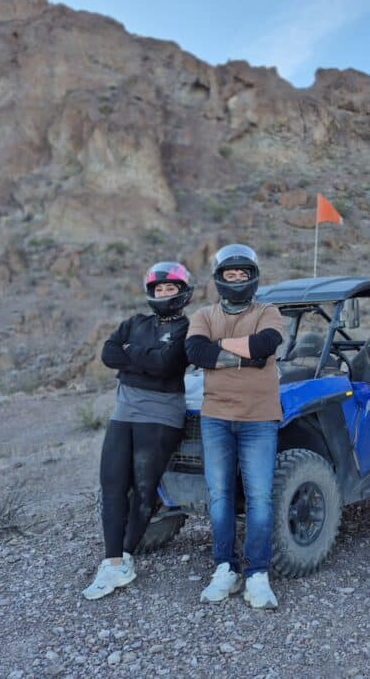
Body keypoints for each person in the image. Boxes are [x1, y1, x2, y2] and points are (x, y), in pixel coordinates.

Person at [83, 262, 194, 600]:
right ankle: (113, 560)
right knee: (113, 483)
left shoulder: (187, 327)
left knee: (145, 488)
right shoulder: (135, 323)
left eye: (170, 289)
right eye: (159, 289)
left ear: (182, 292)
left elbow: (167, 365)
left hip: (161, 415)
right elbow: (108, 353)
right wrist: (145, 357)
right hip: (124, 411)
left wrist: (133, 354)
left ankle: (123, 558)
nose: (163, 294)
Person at [185, 244, 284, 609]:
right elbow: (195, 352)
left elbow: (266, 345)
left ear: (253, 277)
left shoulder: (268, 311)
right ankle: (224, 568)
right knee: (220, 495)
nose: (238, 279)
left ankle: (258, 573)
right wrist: (245, 358)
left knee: (259, 497)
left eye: (244, 274)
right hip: (216, 416)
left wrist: (220, 351)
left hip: (260, 416)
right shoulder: (204, 314)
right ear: (220, 279)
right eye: (231, 274)